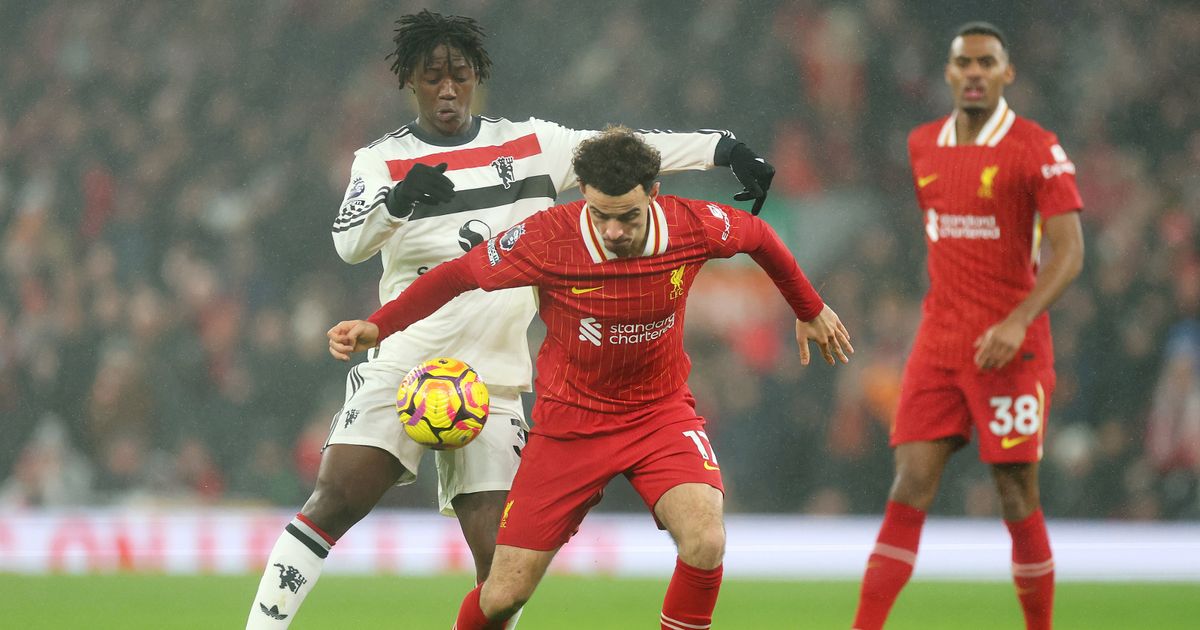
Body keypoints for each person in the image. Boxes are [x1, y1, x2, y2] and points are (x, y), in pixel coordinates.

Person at [245, 10, 777, 629]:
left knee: (502, 571)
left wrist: (725, 148)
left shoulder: (531, 145)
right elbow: (348, 242)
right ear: (410, 83)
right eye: (432, 77)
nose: (448, 89)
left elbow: (624, 154)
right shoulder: (381, 161)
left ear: (478, 78)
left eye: (460, 75)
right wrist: (397, 202)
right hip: (405, 366)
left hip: (493, 381)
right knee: (333, 500)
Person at [327, 127, 852, 629]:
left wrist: (809, 308)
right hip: (568, 426)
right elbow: (459, 275)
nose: (614, 231)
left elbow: (758, 234)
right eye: (601, 215)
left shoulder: (691, 225)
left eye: (627, 216)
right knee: (504, 593)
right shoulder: (547, 238)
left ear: (655, 193)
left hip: (659, 414)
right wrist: (380, 325)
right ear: (582, 193)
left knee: (705, 539)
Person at [851, 22, 1084, 630]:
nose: (975, 72)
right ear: (949, 73)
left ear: (1007, 73)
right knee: (909, 484)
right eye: (964, 63)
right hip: (938, 343)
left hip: (1011, 346)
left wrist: (1018, 319)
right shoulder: (922, 144)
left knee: (1015, 495)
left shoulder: (1036, 147)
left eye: (987, 63)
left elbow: (1070, 251)